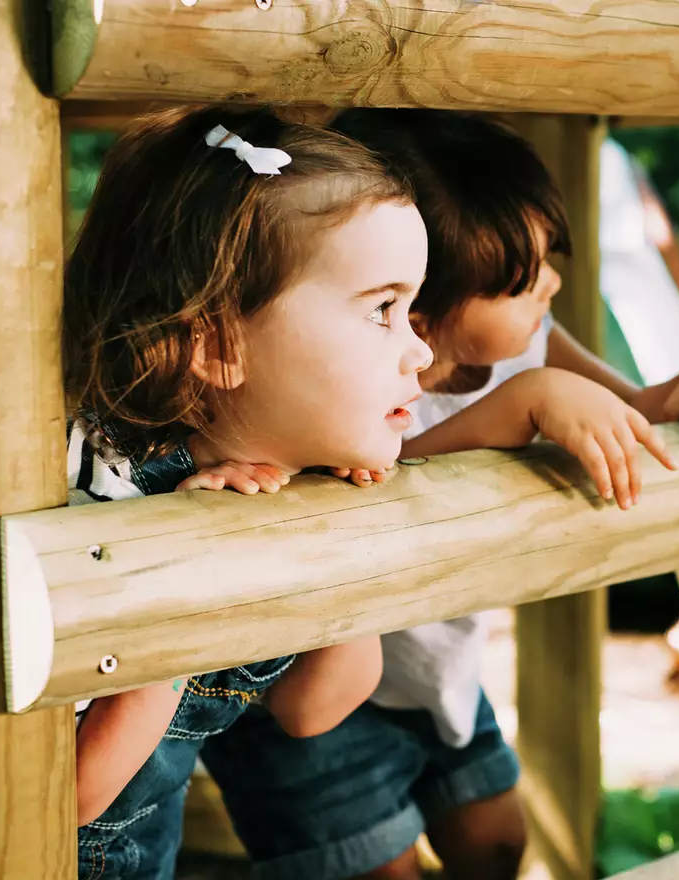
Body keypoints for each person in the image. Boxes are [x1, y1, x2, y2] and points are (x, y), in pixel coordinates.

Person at [197, 108, 679, 880]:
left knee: (499, 843)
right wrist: (519, 405)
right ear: (422, 313)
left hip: (440, 674)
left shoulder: (526, 344)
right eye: (521, 279)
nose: (553, 285)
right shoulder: (347, 388)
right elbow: (369, 479)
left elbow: (635, 411)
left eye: (547, 258)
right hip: (308, 704)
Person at [63, 104, 432, 880]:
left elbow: (310, 710)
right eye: (382, 310)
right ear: (219, 345)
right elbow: (69, 794)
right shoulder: (102, 501)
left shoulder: (289, 476)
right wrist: (189, 592)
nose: (420, 348)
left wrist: (335, 541)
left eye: (413, 309)